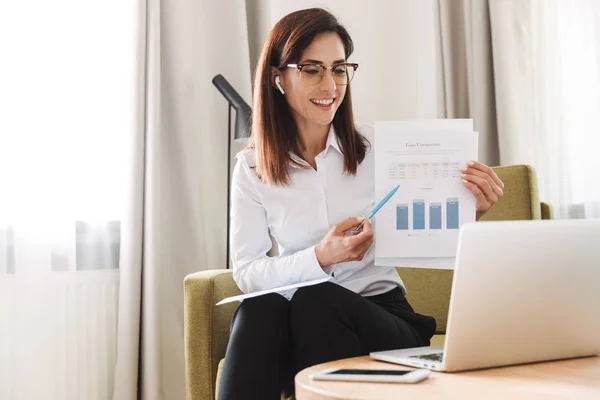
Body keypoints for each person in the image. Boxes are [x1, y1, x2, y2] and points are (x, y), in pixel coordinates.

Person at [218, 8, 504, 400]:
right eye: (312, 69)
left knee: (316, 299)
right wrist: (321, 256)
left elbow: (425, 231)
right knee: (258, 310)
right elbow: (247, 273)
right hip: (295, 318)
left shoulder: (379, 149)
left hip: (383, 316)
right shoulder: (251, 168)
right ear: (277, 77)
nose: (330, 85)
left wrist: (467, 212)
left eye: (338, 69)